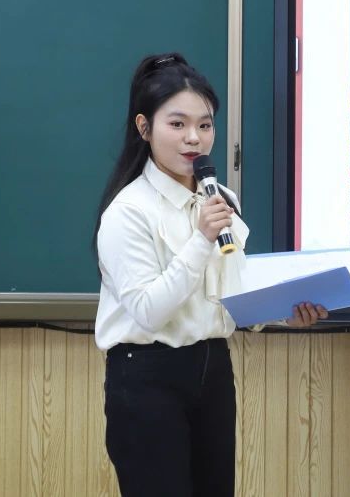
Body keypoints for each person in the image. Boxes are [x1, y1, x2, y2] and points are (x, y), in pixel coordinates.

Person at [94, 52, 328, 497]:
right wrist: (200, 240)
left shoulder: (220, 198)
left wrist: (283, 313)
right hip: (146, 377)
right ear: (144, 127)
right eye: (177, 124)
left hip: (214, 369)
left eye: (205, 125)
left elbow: (229, 292)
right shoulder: (129, 211)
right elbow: (148, 311)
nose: (194, 138)